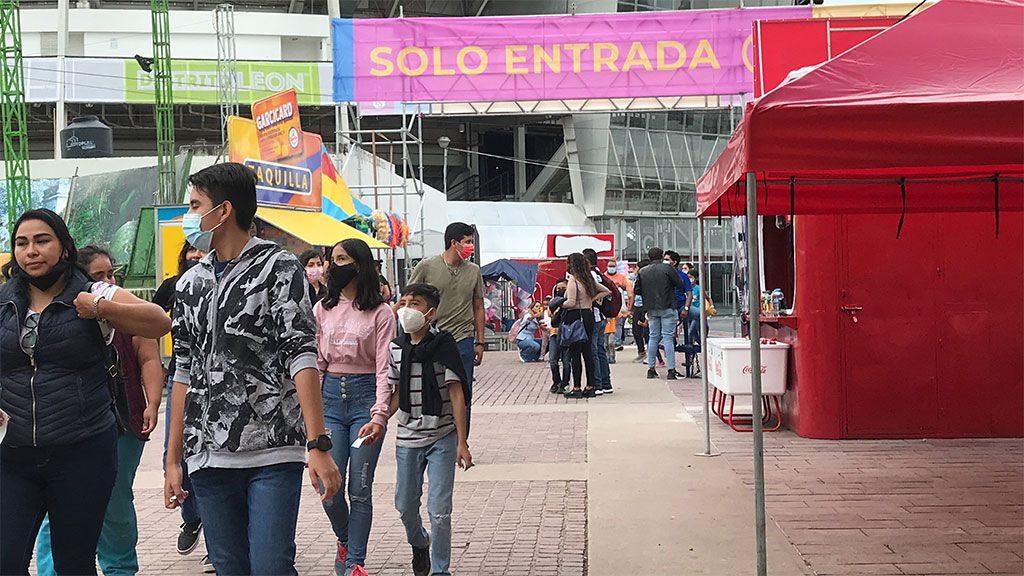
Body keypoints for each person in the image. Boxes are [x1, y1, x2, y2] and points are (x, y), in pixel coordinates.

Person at [163, 162, 342, 576]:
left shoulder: (278, 267)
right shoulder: (191, 283)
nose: (189, 216)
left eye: (195, 205)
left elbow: (302, 353)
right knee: (229, 568)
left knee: (271, 565)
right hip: (207, 455)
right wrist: (173, 460)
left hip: (273, 448)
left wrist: (318, 444)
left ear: (223, 211)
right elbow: (182, 372)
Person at [0, 209, 171, 576]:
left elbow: (159, 321)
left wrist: (100, 309)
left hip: (83, 451)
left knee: (73, 563)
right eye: (22, 243)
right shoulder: (4, 302)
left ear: (64, 248)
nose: (31, 250)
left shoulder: (94, 291)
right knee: (6, 558)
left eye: (42, 240)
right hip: (13, 456)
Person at [35, 246, 167, 576]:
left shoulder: (122, 308)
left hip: (120, 417)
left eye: (111, 274)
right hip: (61, 423)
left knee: (114, 501)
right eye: (99, 276)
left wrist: (153, 403)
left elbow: (149, 356)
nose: (109, 281)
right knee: (56, 507)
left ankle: (120, 568)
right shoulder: (54, 309)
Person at [314, 238, 396, 576]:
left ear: (359, 265)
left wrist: (379, 416)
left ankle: (355, 563)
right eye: (331, 260)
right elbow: (316, 363)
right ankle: (344, 537)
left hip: (365, 402)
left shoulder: (382, 313)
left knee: (359, 489)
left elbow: (384, 368)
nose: (333, 266)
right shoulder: (321, 309)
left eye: (342, 259)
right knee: (327, 487)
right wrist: (311, 416)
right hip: (330, 400)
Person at [384, 283, 472, 576]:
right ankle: (419, 542)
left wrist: (462, 441)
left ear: (430, 313)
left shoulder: (444, 347)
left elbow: (456, 393)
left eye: (415, 303)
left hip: (442, 436)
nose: (407, 309)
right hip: (407, 438)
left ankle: (440, 570)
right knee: (405, 505)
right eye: (404, 302)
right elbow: (396, 393)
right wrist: (378, 420)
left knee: (440, 510)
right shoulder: (396, 348)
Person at [152, 242, 212, 571]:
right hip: (180, 376)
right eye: (191, 252)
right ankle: (192, 518)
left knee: (209, 458)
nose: (196, 257)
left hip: (217, 380)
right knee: (173, 456)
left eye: (202, 252)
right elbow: (149, 319)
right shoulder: (172, 287)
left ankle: (218, 539)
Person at [408, 222, 485, 434]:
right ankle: (433, 435)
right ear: (454, 243)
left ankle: (461, 440)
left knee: (463, 391)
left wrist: (480, 341)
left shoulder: (473, 271)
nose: (471, 246)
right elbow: (410, 297)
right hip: (432, 338)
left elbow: (478, 306)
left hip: (463, 340)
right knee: (432, 389)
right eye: (467, 242)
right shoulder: (426, 266)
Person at [634, 247, 688, 380]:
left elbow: (637, 289)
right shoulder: (667, 268)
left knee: (653, 337)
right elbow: (679, 284)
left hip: (651, 308)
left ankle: (651, 369)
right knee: (668, 338)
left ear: (649, 257)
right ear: (662, 256)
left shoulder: (643, 271)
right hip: (668, 305)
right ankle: (671, 370)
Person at [562, 253, 611, 398]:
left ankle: (577, 387)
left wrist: (559, 303)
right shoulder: (588, 279)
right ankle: (590, 386)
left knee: (575, 354)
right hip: (588, 316)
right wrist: (591, 300)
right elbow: (606, 291)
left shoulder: (573, 281)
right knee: (588, 351)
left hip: (575, 317)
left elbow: (570, 302)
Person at [582, 249, 613, 395]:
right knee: (600, 350)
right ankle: (606, 383)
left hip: (594, 316)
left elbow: (601, 292)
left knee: (593, 350)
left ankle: (597, 383)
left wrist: (589, 300)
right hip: (601, 316)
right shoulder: (599, 273)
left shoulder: (590, 275)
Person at [546, 279, 571, 394]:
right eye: (558, 289)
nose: (560, 290)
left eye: (563, 288)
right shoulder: (553, 302)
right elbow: (550, 315)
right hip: (554, 333)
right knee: (553, 360)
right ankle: (556, 381)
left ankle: (565, 383)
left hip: (566, 334)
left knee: (566, 360)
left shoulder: (570, 301)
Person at [605, 258, 632, 351]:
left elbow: (626, 288)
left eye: (613, 266)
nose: (611, 268)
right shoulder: (604, 276)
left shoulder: (621, 277)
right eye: (610, 266)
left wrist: (619, 286)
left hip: (619, 304)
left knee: (619, 324)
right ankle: (606, 343)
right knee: (606, 324)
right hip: (607, 304)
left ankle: (617, 343)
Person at [631, 260, 650, 363]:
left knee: (647, 331)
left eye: (637, 268)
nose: (635, 270)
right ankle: (641, 352)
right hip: (637, 306)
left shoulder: (648, 279)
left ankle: (650, 353)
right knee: (636, 330)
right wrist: (631, 308)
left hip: (646, 306)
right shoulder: (636, 279)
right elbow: (633, 294)